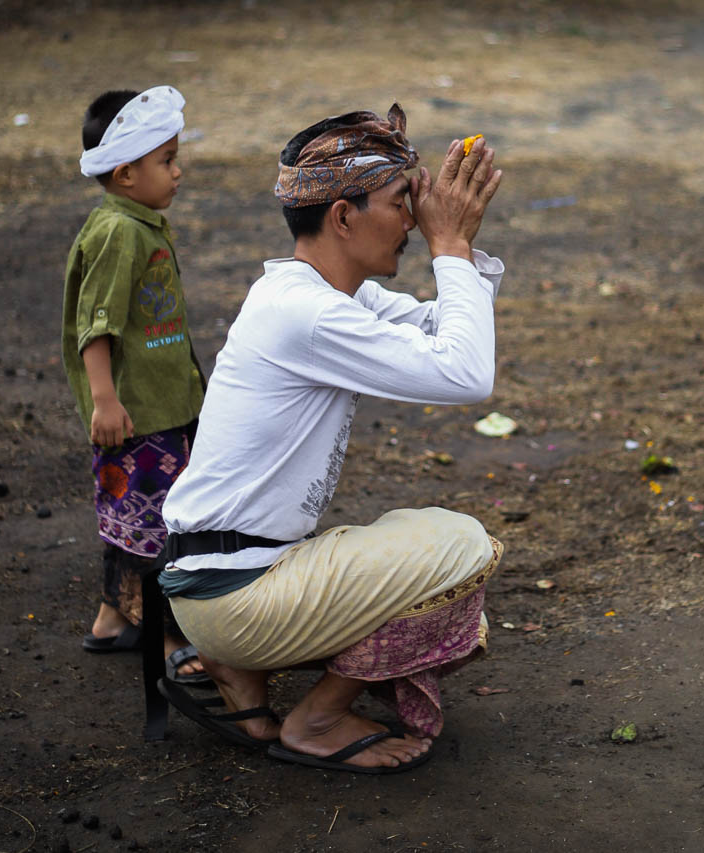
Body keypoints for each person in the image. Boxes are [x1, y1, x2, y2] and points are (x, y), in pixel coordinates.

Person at [150, 104, 505, 774]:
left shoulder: (323, 297)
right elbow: (465, 373)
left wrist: (460, 248)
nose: (412, 221)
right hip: (235, 594)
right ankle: (315, 720)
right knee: (460, 549)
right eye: (400, 203)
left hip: (222, 579)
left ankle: (239, 667)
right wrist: (451, 249)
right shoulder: (308, 314)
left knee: (437, 566)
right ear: (343, 217)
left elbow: (447, 333)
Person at [61, 86, 208, 687]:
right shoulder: (119, 232)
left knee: (132, 519)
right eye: (166, 160)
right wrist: (104, 399)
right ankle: (165, 634)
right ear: (125, 173)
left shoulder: (139, 223)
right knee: (155, 530)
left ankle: (110, 620)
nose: (178, 171)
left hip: (160, 406)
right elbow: (96, 324)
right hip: (138, 417)